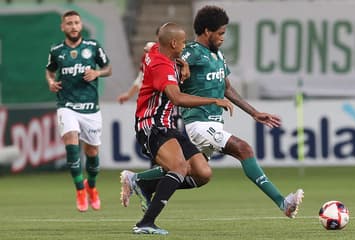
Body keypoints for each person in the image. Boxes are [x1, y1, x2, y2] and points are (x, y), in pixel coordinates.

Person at [124, 5, 304, 219]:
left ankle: (139, 180)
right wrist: (178, 61)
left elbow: (226, 88)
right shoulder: (191, 51)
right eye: (220, 33)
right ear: (207, 31)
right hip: (197, 123)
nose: (223, 37)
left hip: (213, 122)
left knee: (196, 173)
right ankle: (282, 202)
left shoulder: (217, 55)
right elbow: (161, 51)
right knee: (243, 149)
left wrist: (254, 113)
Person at [120, 22, 233, 235]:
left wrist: (182, 63)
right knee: (179, 168)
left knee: (203, 173)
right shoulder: (161, 65)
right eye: (182, 43)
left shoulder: (159, 50)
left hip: (169, 125)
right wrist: (213, 100)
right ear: (173, 43)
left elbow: (150, 45)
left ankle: (141, 183)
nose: (185, 46)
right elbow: (177, 98)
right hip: (152, 125)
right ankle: (146, 223)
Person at [45, 10, 112, 212]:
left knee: (92, 152)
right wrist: (50, 82)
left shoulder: (92, 47)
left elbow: (108, 68)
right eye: (69, 23)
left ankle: (91, 187)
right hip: (67, 106)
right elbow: (49, 69)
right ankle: (79, 190)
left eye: (76, 22)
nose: (73, 26)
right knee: (71, 144)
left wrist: (97, 72)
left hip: (90, 108)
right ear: (63, 27)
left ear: (81, 25)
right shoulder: (56, 50)